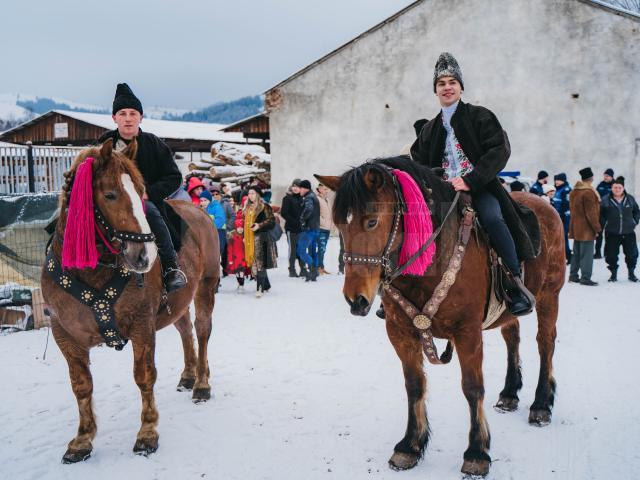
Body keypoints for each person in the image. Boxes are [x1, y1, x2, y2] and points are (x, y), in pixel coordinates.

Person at [409, 52, 536, 316]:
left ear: (461, 87)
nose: (447, 87)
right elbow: (418, 161)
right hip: (442, 194)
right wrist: (434, 178)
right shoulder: (429, 129)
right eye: (441, 83)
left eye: (452, 82)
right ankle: (404, 284)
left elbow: (499, 150)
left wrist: (471, 180)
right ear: (435, 90)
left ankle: (514, 283)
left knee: (492, 218)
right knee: (413, 223)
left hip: (479, 187)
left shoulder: (480, 116)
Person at [98, 83, 186, 292]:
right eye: (122, 113)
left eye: (133, 113)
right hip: (110, 202)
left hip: (146, 203)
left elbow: (174, 177)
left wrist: (149, 193)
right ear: (114, 118)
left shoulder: (154, 144)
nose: (128, 117)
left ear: (140, 117)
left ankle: (170, 268)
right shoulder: (103, 144)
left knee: (155, 218)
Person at [600, 176, 639, 282]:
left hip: (628, 232)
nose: (617, 189)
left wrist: (635, 221)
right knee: (611, 255)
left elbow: (636, 210)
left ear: (623, 188)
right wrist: (604, 224)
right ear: (612, 188)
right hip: (612, 232)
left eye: (619, 187)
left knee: (632, 254)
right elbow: (601, 215)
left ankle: (631, 274)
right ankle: (613, 274)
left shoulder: (630, 199)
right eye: (615, 187)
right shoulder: (605, 200)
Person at [568, 167, 601, 286]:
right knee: (587, 255)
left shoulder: (574, 191)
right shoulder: (588, 192)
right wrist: (597, 228)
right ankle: (585, 277)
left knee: (576, 253)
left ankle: (573, 275)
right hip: (587, 229)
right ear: (591, 178)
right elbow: (591, 213)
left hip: (576, 227)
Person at [243, 186, 277, 297]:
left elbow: (271, 221)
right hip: (250, 240)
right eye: (249, 193)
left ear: (258, 194)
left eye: (253, 193)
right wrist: (244, 234)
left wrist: (259, 225)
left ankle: (260, 288)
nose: (251, 195)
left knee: (260, 264)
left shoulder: (264, 206)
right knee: (254, 264)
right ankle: (266, 285)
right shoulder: (247, 208)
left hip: (261, 238)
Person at [297, 179, 321, 282]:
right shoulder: (313, 196)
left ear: (305, 188)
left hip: (309, 229)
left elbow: (309, 209)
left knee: (301, 251)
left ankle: (312, 269)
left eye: (300, 188)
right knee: (312, 251)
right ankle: (314, 272)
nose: (299, 191)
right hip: (315, 228)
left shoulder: (308, 198)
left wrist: (302, 219)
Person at [281, 179, 305, 277]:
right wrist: (295, 222)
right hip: (291, 229)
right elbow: (284, 213)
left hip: (301, 229)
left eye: (298, 186)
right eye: (294, 186)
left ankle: (303, 269)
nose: (295, 188)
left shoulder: (303, 199)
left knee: (301, 249)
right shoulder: (287, 198)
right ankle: (292, 270)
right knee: (293, 250)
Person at [200, 189, 227, 267]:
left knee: (216, 252)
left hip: (219, 232)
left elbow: (220, 219)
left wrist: (208, 227)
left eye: (205, 200)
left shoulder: (216, 206)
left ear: (210, 200)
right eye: (201, 200)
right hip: (209, 233)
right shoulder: (203, 208)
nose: (203, 202)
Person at [227, 208, 249, 291]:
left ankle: (242, 284)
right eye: (238, 227)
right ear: (236, 228)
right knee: (237, 273)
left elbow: (247, 248)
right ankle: (239, 283)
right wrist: (230, 260)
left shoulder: (245, 237)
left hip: (243, 258)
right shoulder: (232, 237)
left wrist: (245, 242)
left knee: (242, 272)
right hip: (235, 258)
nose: (240, 229)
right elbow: (230, 249)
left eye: (241, 227)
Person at [552, 173, 572, 264]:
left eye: (558, 180)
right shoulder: (557, 189)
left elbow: (566, 205)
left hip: (564, 218)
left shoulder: (566, 190)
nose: (556, 182)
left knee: (563, 238)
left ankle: (568, 256)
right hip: (557, 217)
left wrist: (561, 217)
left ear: (563, 180)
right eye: (555, 180)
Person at [595, 168, 615, 259]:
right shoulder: (601, 185)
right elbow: (595, 195)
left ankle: (608, 252)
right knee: (599, 233)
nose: (605, 177)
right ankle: (598, 253)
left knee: (609, 233)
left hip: (611, 213)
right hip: (601, 212)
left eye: (607, 176)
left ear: (611, 176)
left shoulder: (615, 185)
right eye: (604, 175)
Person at [317, 183, 335, 274]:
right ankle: (318, 267)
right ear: (319, 189)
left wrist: (331, 224)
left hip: (327, 228)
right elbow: (317, 214)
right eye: (324, 189)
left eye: (327, 189)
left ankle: (321, 267)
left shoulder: (327, 199)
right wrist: (323, 222)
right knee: (321, 248)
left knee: (323, 249)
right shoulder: (318, 199)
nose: (326, 191)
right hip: (321, 228)